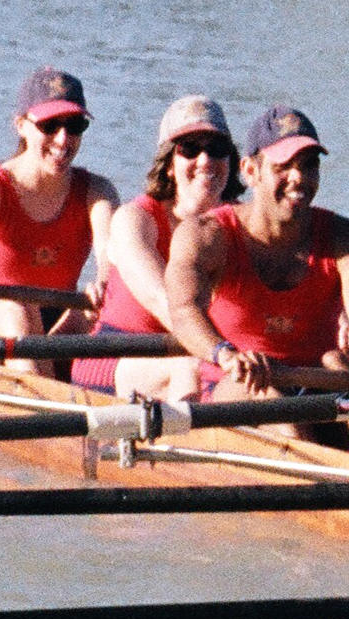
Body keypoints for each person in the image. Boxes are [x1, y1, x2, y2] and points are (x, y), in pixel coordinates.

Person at [165, 105, 349, 434]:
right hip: (237, 383)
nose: (299, 177)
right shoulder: (206, 235)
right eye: (284, 165)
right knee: (270, 399)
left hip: (317, 381)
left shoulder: (346, 236)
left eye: (309, 164)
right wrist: (225, 355)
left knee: (338, 364)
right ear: (250, 171)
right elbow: (183, 311)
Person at [0, 66, 120, 367]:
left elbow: (111, 254)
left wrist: (103, 282)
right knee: (19, 312)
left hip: (59, 317)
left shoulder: (97, 192)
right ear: (21, 125)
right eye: (50, 126)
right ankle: (52, 403)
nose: (63, 140)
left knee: (105, 313)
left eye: (75, 125)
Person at [69, 95, 241, 400]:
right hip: (114, 355)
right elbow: (167, 305)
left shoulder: (242, 225)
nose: (205, 161)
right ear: (169, 165)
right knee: (187, 370)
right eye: (189, 148)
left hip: (209, 354)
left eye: (216, 149)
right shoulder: (134, 220)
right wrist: (225, 353)